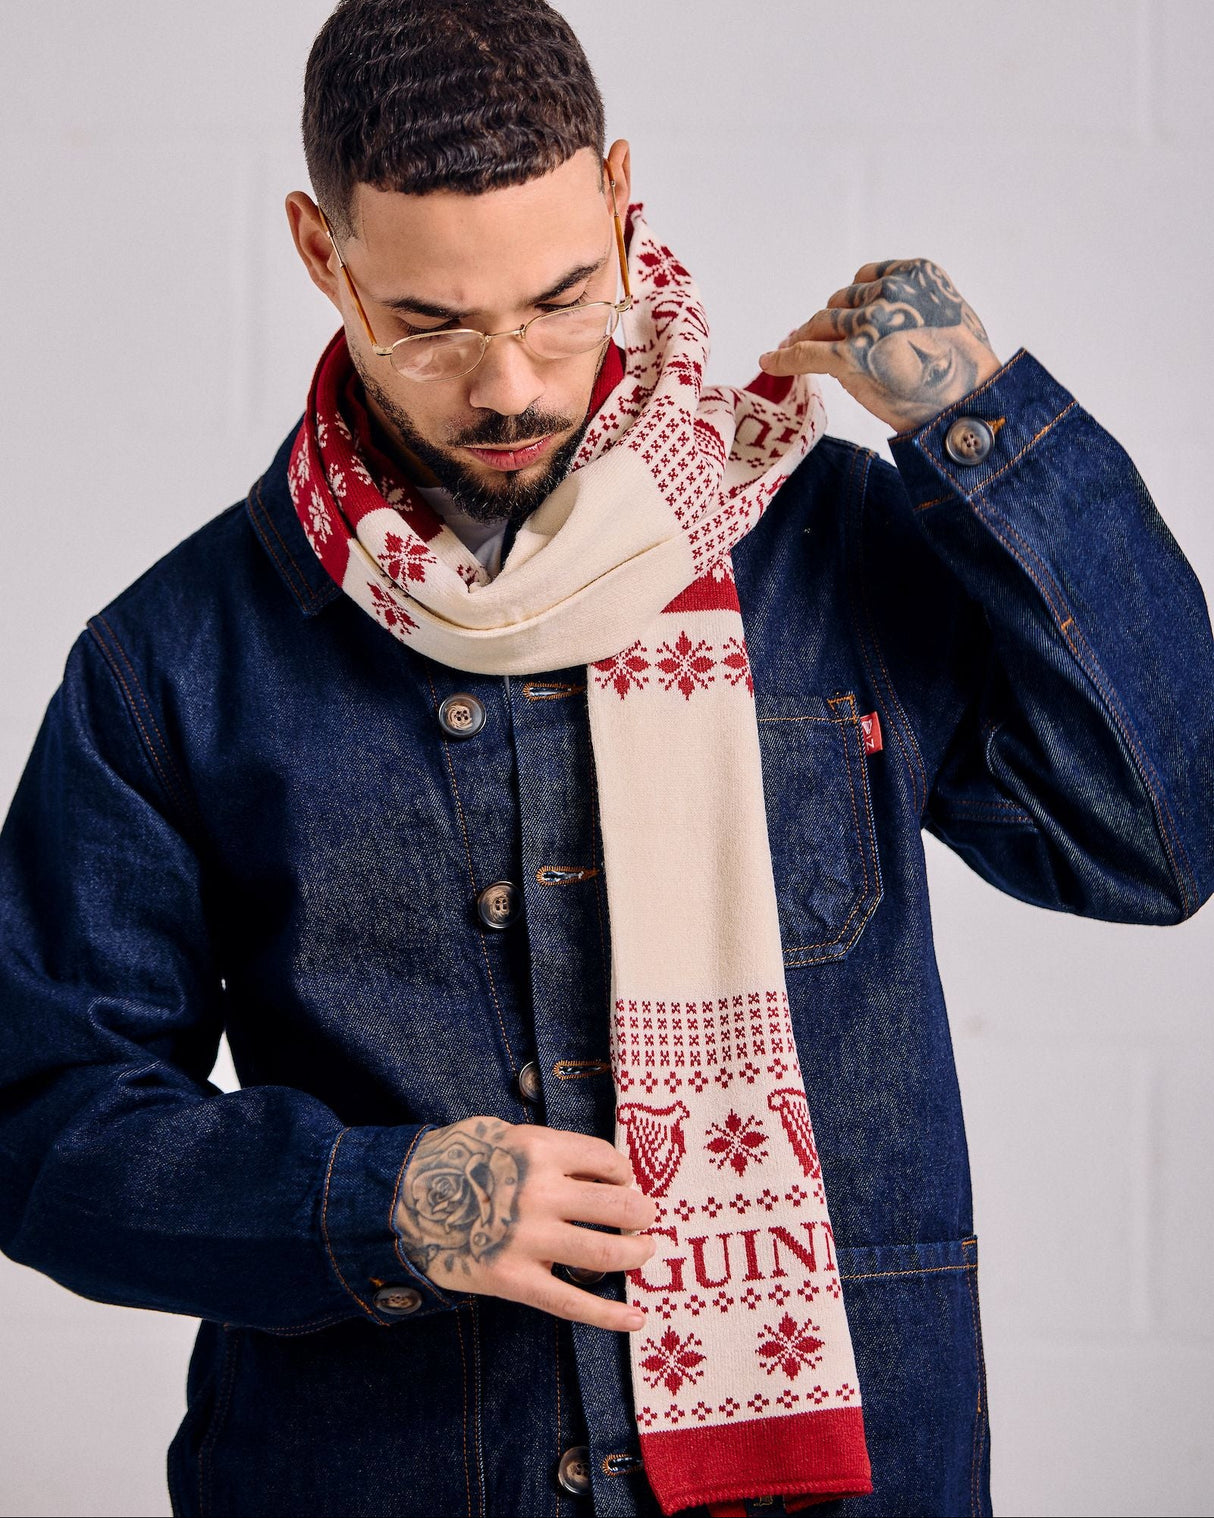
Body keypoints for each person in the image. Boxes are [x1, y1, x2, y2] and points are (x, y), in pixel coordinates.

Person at [1, 0, 1211, 1514]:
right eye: (430, 321)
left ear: (625, 206)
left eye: (564, 299)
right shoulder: (172, 659)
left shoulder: (823, 544)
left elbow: (1152, 842)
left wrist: (981, 428)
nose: (508, 384)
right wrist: (387, 1206)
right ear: (322, 254)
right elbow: (46, 1130)